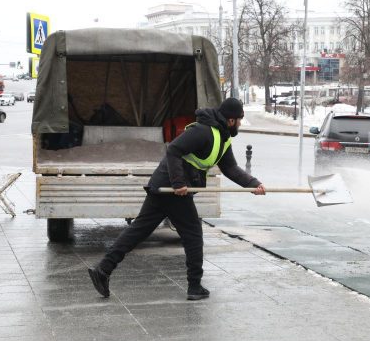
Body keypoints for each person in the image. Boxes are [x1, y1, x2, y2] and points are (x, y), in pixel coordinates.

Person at [88, 98, 266, 300]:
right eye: (240, 120)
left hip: (165, 187)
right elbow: (173, 149)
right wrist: (178, 183)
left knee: (138, 231)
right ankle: (194, 286)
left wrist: (252, 184)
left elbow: (230, 168)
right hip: (171, 189)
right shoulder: (203, 131)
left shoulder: (223, 138)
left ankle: (103, 270)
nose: (241, 124)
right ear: (231, 120)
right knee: (193, 234)